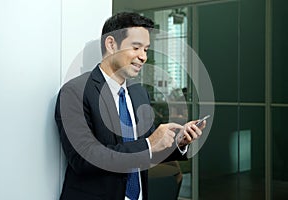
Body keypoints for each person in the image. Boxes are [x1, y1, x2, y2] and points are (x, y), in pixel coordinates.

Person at [55, 12, 206, 200]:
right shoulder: (74, 92)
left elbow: (147, 152)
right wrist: (149, 143)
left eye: (146, 50)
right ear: (111, 45)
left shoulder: (138, 93)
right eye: (136, 48)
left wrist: (177, 143)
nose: (143, 57)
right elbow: (84, 158)